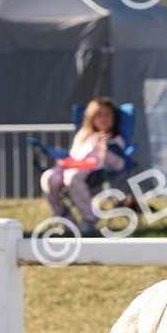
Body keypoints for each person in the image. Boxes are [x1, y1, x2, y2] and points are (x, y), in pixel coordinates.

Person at [40, 97, 127, 236]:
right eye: (99, 115)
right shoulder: (83, 135)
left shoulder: (116, 139)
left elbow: (118, 164)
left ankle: (89, 219)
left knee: (72, 177)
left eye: (107, 115)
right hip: (71, 165)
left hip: (91, 170)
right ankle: (65, 217)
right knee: (48, 177)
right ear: (91, 118)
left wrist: (106, 147)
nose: (103, 118)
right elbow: (74, 154)